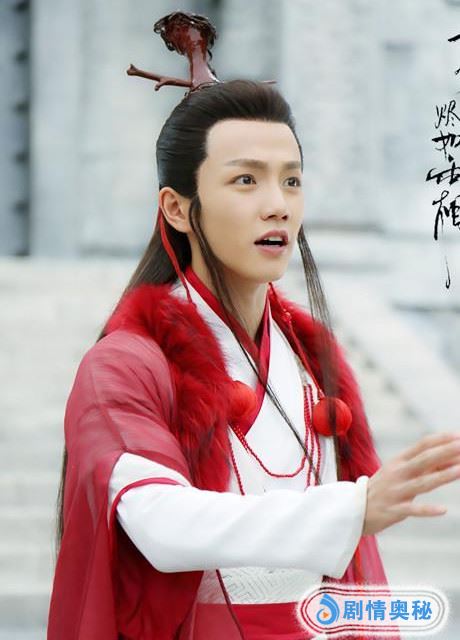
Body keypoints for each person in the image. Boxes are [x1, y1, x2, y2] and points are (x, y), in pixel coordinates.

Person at [46, 11, 460, 640]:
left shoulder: (311, 358)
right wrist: (351, 508)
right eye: (246, 179)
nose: (277, 205)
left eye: (291, 180)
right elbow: (159, 521)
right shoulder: (125, 366)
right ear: (177, 208)